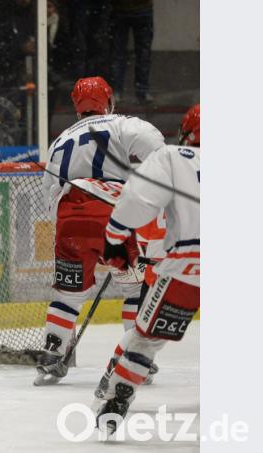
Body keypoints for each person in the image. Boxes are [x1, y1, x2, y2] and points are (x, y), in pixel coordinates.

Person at [34, 76, 166, 385]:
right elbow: (156, 147)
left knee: (68, 293)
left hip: (69, 217)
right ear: (107, 101)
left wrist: (78, 234)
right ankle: (135, 357)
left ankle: (52, 354)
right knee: (135, 286)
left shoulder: (59, 140)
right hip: (112, 212)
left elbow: (48, 196)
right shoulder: (119, 123)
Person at [94, 104, 200, 435]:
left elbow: (138, 198)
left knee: (146, 337)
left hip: (189, 262)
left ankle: (118, 395)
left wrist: (114, 235)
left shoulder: (174, 156)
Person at [109, 0, 155, 103]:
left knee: (119, 54)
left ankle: (119, 91)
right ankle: (141, 91)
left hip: (123, 9)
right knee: (142, 53)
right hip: (138, 9)